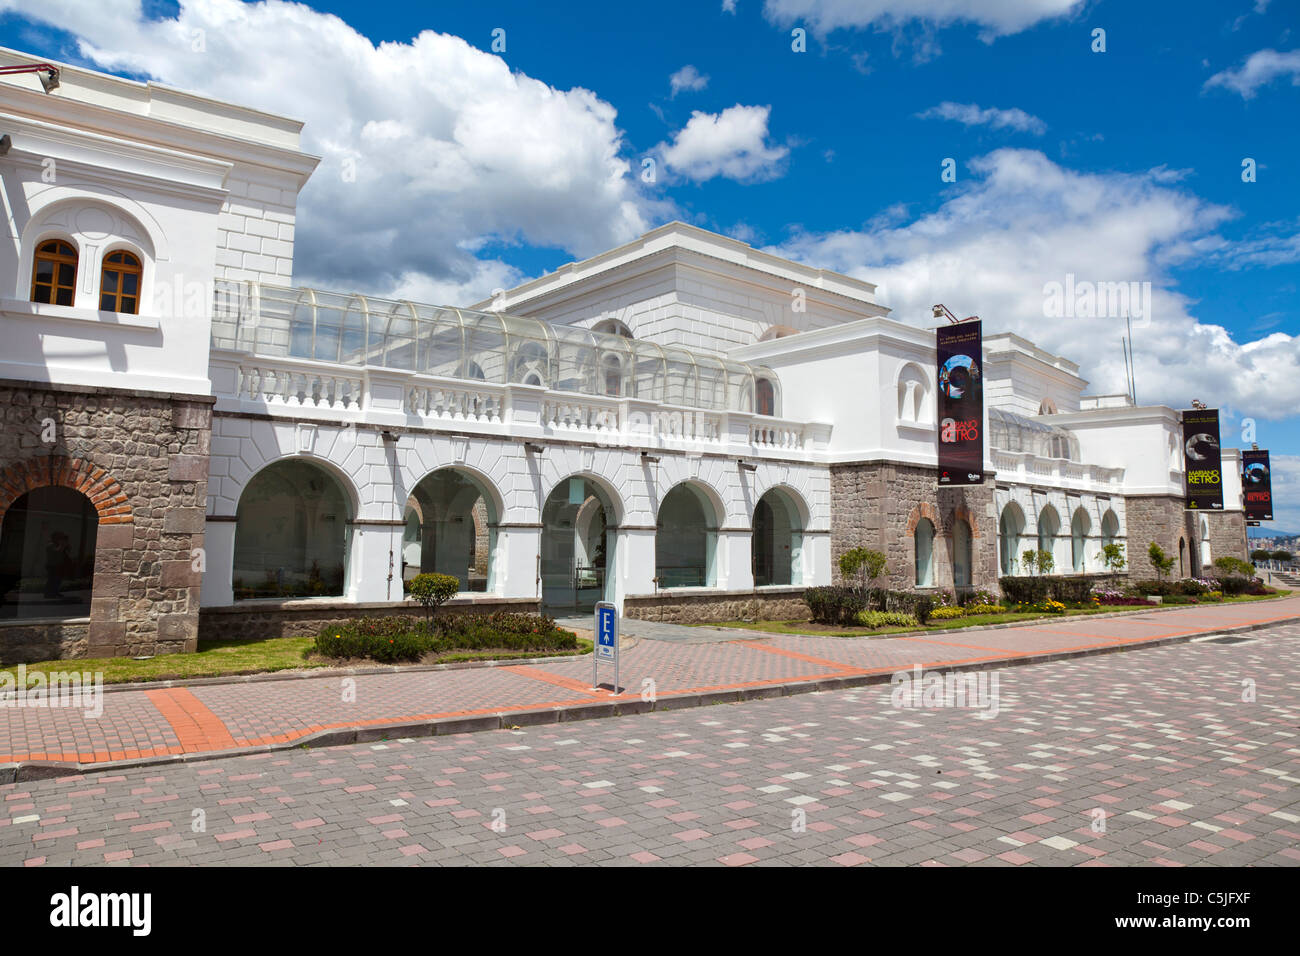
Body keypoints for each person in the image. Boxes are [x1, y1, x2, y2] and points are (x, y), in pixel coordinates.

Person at [44, 531, 70, 599]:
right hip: (52, 566)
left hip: (59, 565)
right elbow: (57, 551)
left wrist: (65, 545)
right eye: (58, 538)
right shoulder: (50, 545)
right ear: (54, 538)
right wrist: (62, 544)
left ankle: (55, 592)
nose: (59, 539)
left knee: (58, 580)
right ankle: (47, 594)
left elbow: (67, 552)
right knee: (51, 580)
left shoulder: (58, 545)